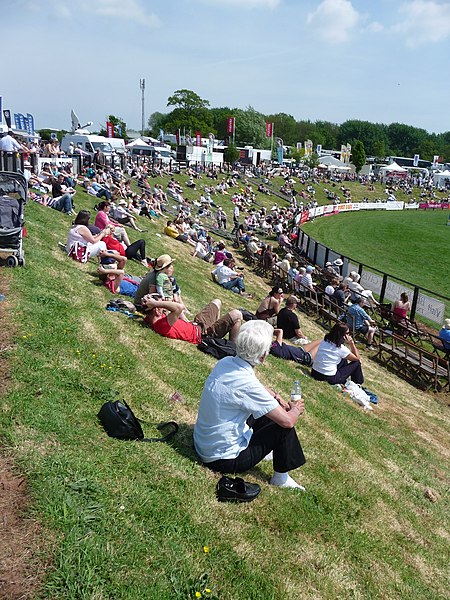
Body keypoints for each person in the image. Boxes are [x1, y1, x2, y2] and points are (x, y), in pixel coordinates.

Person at [193, 320, 307, 490]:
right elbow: (287, 421)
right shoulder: (247, 385)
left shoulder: (227, 362)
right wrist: (296, 410)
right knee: (282, 426)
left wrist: (276, 397)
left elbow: (256, 386)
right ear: (263, 355)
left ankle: (268, 450)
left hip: (204, 445)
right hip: (224, 459)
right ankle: (281, 477)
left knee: (268, 411)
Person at [142, 297, 242, 344]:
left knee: (217, 302)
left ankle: (217, 330)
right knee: (237, 315)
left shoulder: (150, 319)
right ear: (156, 309)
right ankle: (232, 349)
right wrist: (157, 303)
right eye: (159, 303)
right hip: (203, 334)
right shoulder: (161, 325)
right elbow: (179, 308)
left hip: (197, 324)